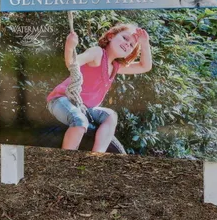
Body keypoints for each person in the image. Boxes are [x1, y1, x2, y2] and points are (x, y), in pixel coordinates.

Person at [46, 23, 152, 152]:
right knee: (80, 121)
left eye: (131, 45)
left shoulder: (115, 67)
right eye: (125, 38)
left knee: (111, 116)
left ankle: (97, 155)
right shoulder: (98, 53)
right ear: (111, 36)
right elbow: (73, 64)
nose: (127, 44)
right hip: (62, 100)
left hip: (85, 108)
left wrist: (144, 43)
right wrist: (70, 47)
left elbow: (145, 66)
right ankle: (67, 159)